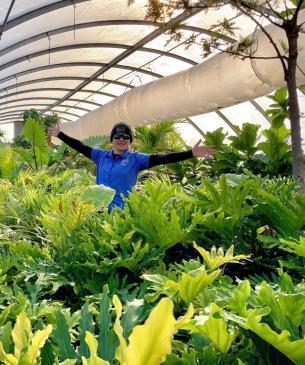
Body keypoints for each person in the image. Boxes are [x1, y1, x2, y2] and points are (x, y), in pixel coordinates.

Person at [47, 122, 215, 211]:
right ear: (112, 139)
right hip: (97, 210)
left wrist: (190, 153)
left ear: (130, 141)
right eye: (118, 136)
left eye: (126, 137)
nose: (122, 139)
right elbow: (80, 146)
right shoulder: (100, 156)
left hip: (121, 212)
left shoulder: (136, 159)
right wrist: (60, 135)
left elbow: (163, 158)